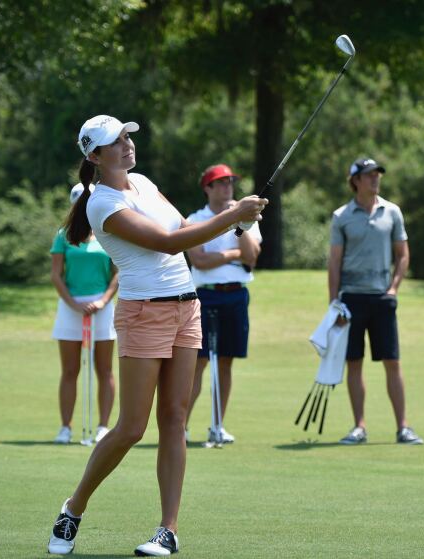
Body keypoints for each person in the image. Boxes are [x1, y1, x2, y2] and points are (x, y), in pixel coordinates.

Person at [47, 115, 266, 556]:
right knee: (131, 426)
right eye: (117, 141)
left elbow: (183, 229)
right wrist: (232, 215)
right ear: (95, 156)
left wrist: (237, 223)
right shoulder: (101, 205)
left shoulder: (143, 182)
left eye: (128, 137)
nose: (128, 144)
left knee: (175, 418)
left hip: (187, 307)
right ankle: (74, 506)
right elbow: (166, 243)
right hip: (143, 313)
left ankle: (168, 529)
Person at [328, 157, 423, 445]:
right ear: (355, 180)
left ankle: (403, 427)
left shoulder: (392, 212)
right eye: (369, 175)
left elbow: (403, 254)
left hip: (382, 298)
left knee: (392, 362)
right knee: (354, 363)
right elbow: (335, 262)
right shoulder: (341, 216)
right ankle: (359, 426)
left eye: (377, 174)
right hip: (352, 299)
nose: (375, 179)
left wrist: (394, 288)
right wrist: (334, 302)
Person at [184, 164, 262, 444]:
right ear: (208, 188)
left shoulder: (246, 218)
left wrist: (241, 225)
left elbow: (251, 257)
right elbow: (200, 261)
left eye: (230, 181)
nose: (227, 186)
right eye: (220, 182)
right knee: (198, 362)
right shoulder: (195, 219)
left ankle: (217, 425)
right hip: (205, 296)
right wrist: (232, 254)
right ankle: (181, 427)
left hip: (236, 295)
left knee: (226, 362)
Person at [50, 183, 119, 445]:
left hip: (102, 307)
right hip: (70, 307)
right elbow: (56, 275)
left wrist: (102, 301)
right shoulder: (63, 235)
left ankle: (102, 427)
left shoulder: (108, 235)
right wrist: (73, 304)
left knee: (105, 370)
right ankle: (65, 428)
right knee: (70, 370)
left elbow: (118, 274)